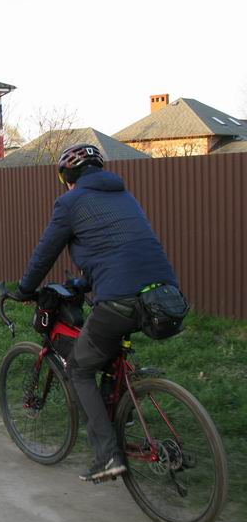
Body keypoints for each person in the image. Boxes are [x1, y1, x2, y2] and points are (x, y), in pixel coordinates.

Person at [14, 144, 180, 482]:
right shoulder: (124, 197)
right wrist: (82, 282)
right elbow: (117, 251)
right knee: (105, 350)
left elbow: (45, 252)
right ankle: (122, 412)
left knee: (78, 368)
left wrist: (23, 289)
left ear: (69, 178)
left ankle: (107, 455)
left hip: (121, 298)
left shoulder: (71, 203)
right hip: (165, 296)